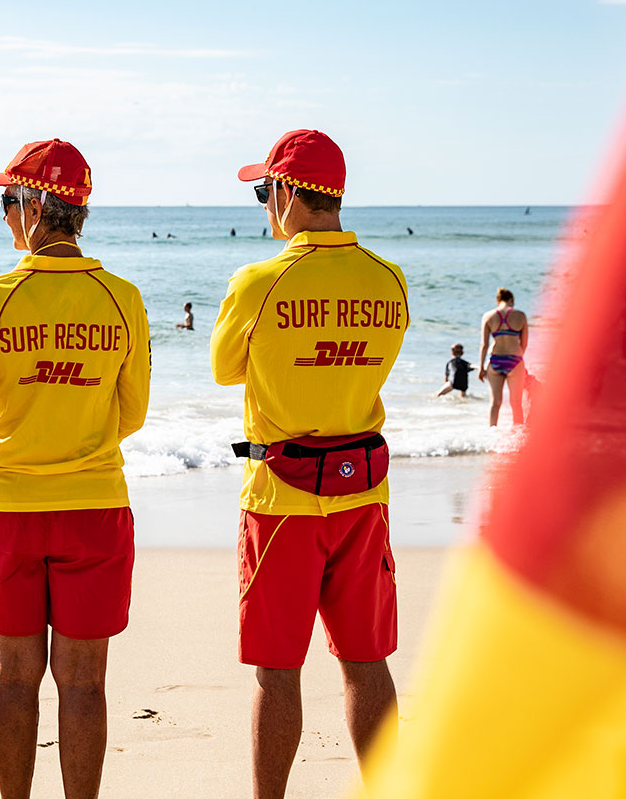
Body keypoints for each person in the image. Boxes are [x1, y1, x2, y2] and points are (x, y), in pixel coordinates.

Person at [0, 138, 151, 799]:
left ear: (35, 207)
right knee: (85, 681)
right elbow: (132, 413)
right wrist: (75, 442)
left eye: (8, 202)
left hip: (9, 509)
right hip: (95, 508)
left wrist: (7, 450)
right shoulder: (121, 297)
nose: (6, 216)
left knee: (15, 676)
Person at [211, 129, 408, 799]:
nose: (265, 206)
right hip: (363, 493)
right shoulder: (388, 279)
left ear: (290, 194)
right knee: (366, 662)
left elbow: (224, 369)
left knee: (277, 671)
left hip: (280, 497)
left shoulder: (258, 282)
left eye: (265, 192)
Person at [478, 287, 528, 427]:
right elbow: (524, 344)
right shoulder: (521, 316)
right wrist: (518, 360)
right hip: (515, 361)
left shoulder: (488, 316)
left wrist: (481, 367)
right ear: (511, 300)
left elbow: (484, 345)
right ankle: (518, 435)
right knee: (516, 403)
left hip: (495, 360)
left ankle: (491, 433)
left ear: (498, 301)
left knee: (495, 403)